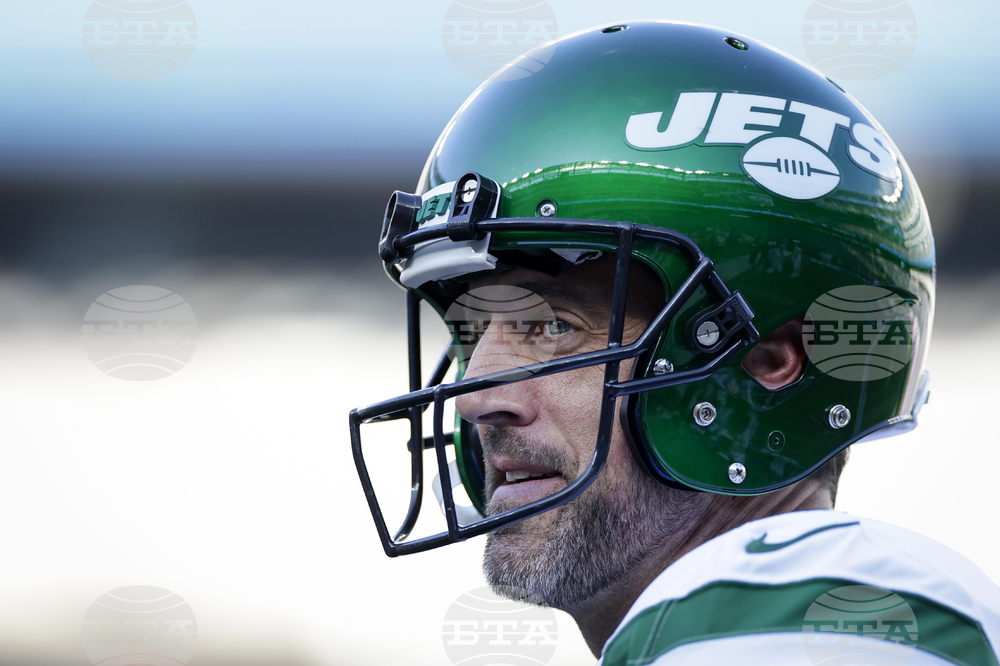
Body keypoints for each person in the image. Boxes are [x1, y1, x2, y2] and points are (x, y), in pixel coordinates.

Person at [349, 20, 1000, 663]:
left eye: (553, 327)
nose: (474, 398)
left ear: (769, 362)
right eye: (468, 330)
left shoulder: (806, 629)